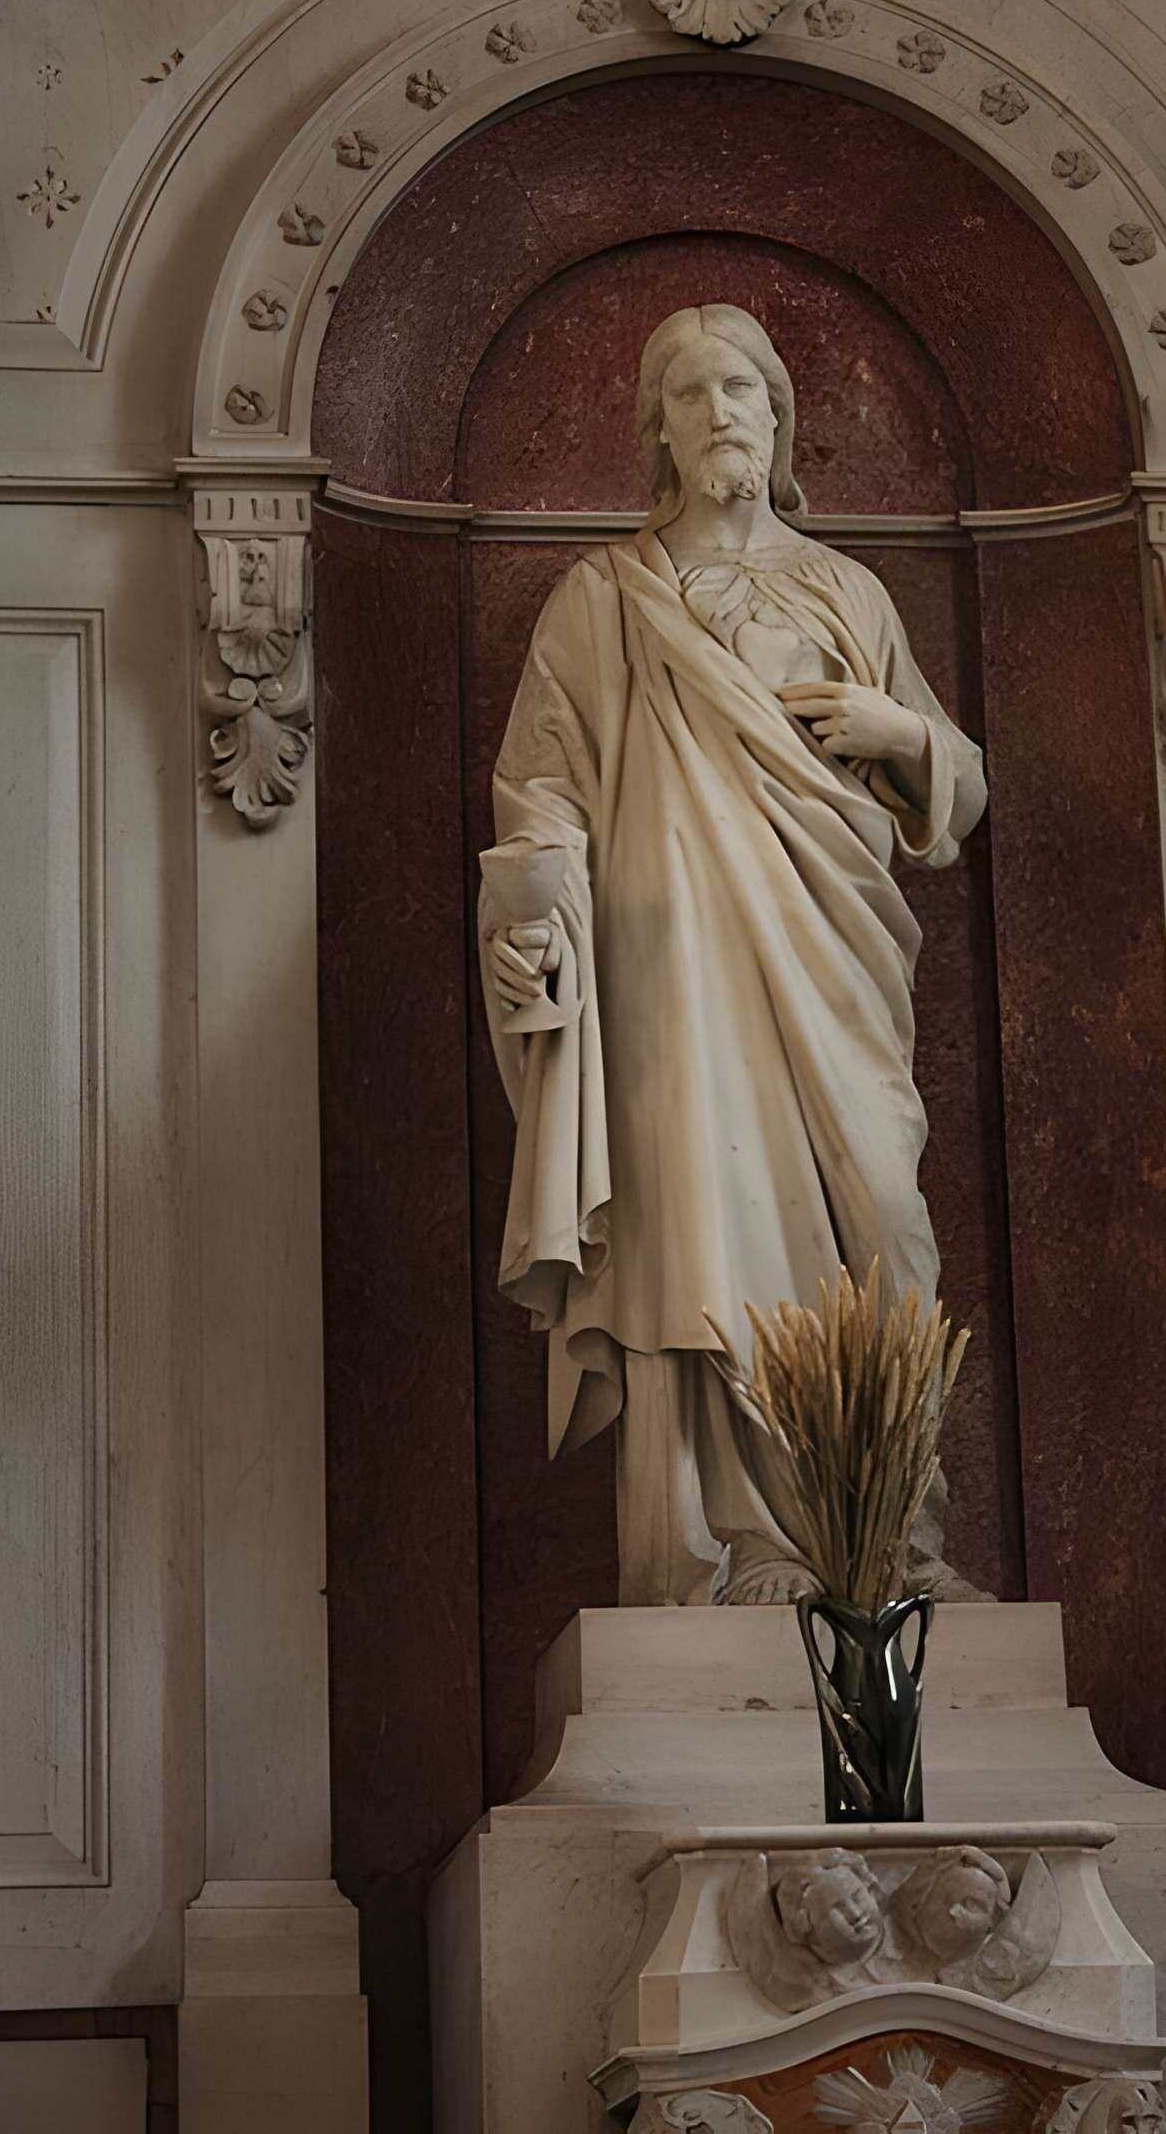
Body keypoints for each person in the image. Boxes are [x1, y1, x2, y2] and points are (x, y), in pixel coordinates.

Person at [481, 302, 987, 1603]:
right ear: (657, 429)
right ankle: (739, 1548)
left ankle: (890, 1539)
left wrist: (899, 730)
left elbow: (959, 786)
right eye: (693, 393)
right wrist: (536, 913)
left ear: (778, 417)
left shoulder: (845, 589)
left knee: (885, 1222)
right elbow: (542, 787)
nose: (721, 414)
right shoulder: (604, 600)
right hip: (674, 973)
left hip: (836, 962)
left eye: (742, 390)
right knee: (711, 1227)